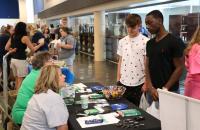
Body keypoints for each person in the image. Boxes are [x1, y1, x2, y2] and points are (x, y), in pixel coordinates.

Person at [145, 10, 185, 103]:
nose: (147, 27)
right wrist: (150, 87)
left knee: (169, 117)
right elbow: (147, 66)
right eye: (146, 24)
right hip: (152, 92)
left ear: (159, 21)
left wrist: (165, 89)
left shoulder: (174, 41)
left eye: (150, 23)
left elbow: (180, 67)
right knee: (150, 117)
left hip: (169, 92)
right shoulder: (149, 43)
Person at [21, 65, 68, 130]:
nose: (64, 76)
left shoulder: (40, 93)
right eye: (60, 75)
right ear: (53, 79)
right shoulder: (53, 98)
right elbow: (62, 128)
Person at [117, 14, 149, 106]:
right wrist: (118, 80)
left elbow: (147, 64)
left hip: (139, 83)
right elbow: (120, 61)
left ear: (139, 26)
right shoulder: (122, 41)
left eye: (133, 27)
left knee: (139, 112)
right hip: (123, 82)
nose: (130, 30)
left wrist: (146, 82)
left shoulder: (146, 41)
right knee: (123, 109)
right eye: (128, 27)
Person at [11, 51, 52, 125]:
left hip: (21, 111)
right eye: (50, 61)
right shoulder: (40, 77)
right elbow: (49, 98)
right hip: (23, 114)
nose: (53, 63)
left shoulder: (35, 72)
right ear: (43, 63)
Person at [5, 22, 44, 90]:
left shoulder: (13, 36)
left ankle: (16, 96)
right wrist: (40, 44)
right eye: (25, 27)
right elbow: (33, 49)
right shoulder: (25, 37)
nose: (26, 29)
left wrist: (12, 50)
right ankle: (18, 96)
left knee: (17, 79)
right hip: (21, 61)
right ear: (23, 28)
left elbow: (6, 48)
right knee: (21, 80)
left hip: (13, 60)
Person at [184, 26, 200, 100]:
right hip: (196, 87)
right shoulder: (196, 48)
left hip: (191, 85)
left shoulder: (193, 47)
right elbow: (195, 71)